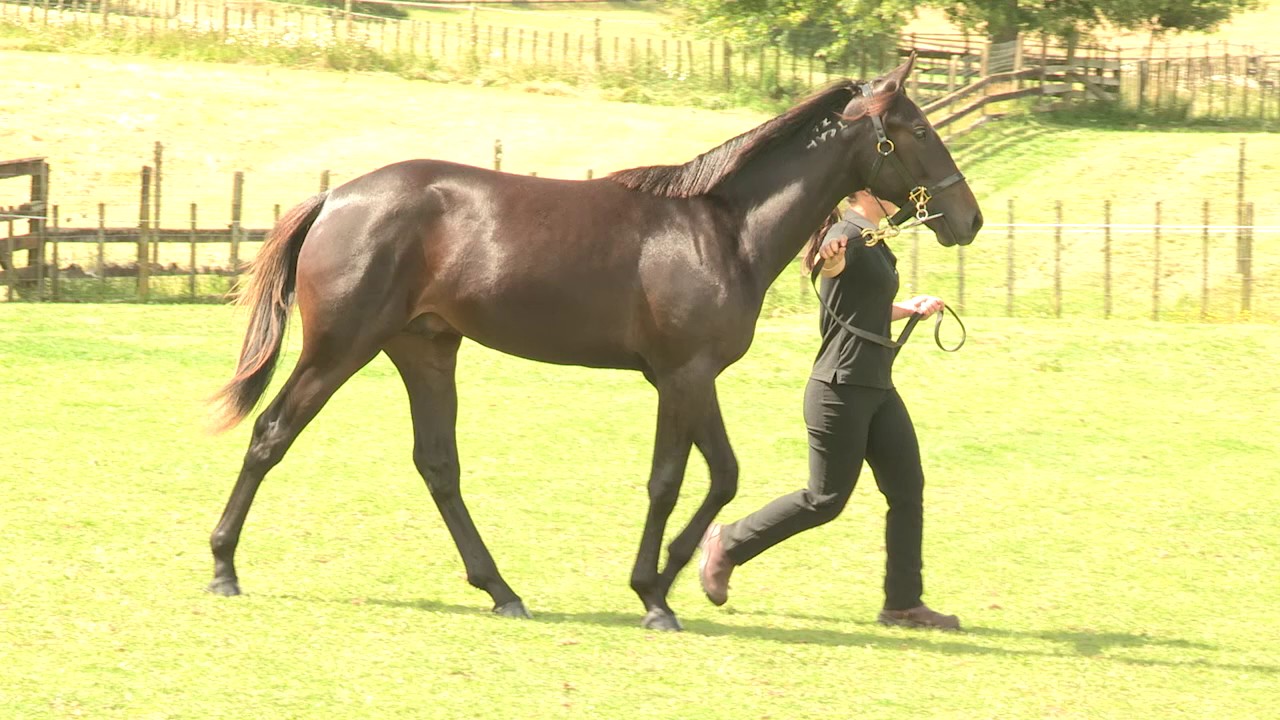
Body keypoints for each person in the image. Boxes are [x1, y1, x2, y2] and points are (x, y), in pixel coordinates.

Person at [698, 188, 959, 630]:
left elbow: (860, 304)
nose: (900, 196)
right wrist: (830, 257)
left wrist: (906, 308)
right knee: (824, 499)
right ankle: (727, 543)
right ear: (866, 192)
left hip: (876, 387)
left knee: (906, 488)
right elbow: (831, 266)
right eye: (891, 189)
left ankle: (903, 604)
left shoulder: (872, 237)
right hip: (840, 390)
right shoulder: (846, 235)